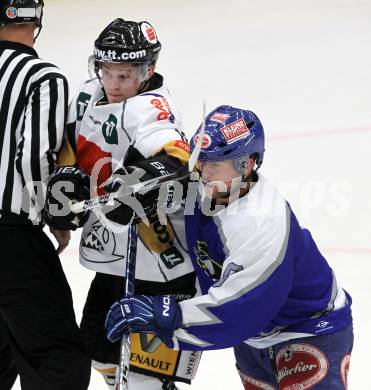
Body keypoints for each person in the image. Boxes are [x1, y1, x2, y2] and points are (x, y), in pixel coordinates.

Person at [105, 105, 354, 389]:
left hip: (309, 329)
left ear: (246, 165)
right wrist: (129, 195)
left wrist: (169, 315)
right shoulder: (207, 184)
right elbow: (166, 179)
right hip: (254, 338)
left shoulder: (261, 221)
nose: (204, 171)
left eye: (215, 164)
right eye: (201, 160)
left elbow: (244, 305)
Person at [44, 18, 201, 390]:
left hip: (160, 254)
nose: (114, 85)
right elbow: (70, 141)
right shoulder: (87, 91)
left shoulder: (150, 107)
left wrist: (134, 182)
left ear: (148, 70)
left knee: (149, 375)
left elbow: (178, 157)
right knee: (99, 351)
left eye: (125, 75)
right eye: (107, 72)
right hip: (117, 249)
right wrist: (66, 183)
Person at [0, 1, 91, 389]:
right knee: (58, 360)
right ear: (36, 20)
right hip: (12, 240)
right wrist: (57, 217)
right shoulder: (43, 77)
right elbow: (34, 157)